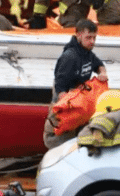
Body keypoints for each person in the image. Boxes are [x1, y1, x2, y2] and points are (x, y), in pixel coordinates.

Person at [44, 19, 108, 149]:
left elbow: (99, 64)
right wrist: (67, 107)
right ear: (78, 35)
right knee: (59, 135)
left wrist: (102, 73)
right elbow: (60, 86)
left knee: (77, 132)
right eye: (88, 38)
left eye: (94, 38)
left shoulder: (87, 52)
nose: (92, 42)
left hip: (79, 99)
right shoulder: (70, 57)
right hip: (66, 100)